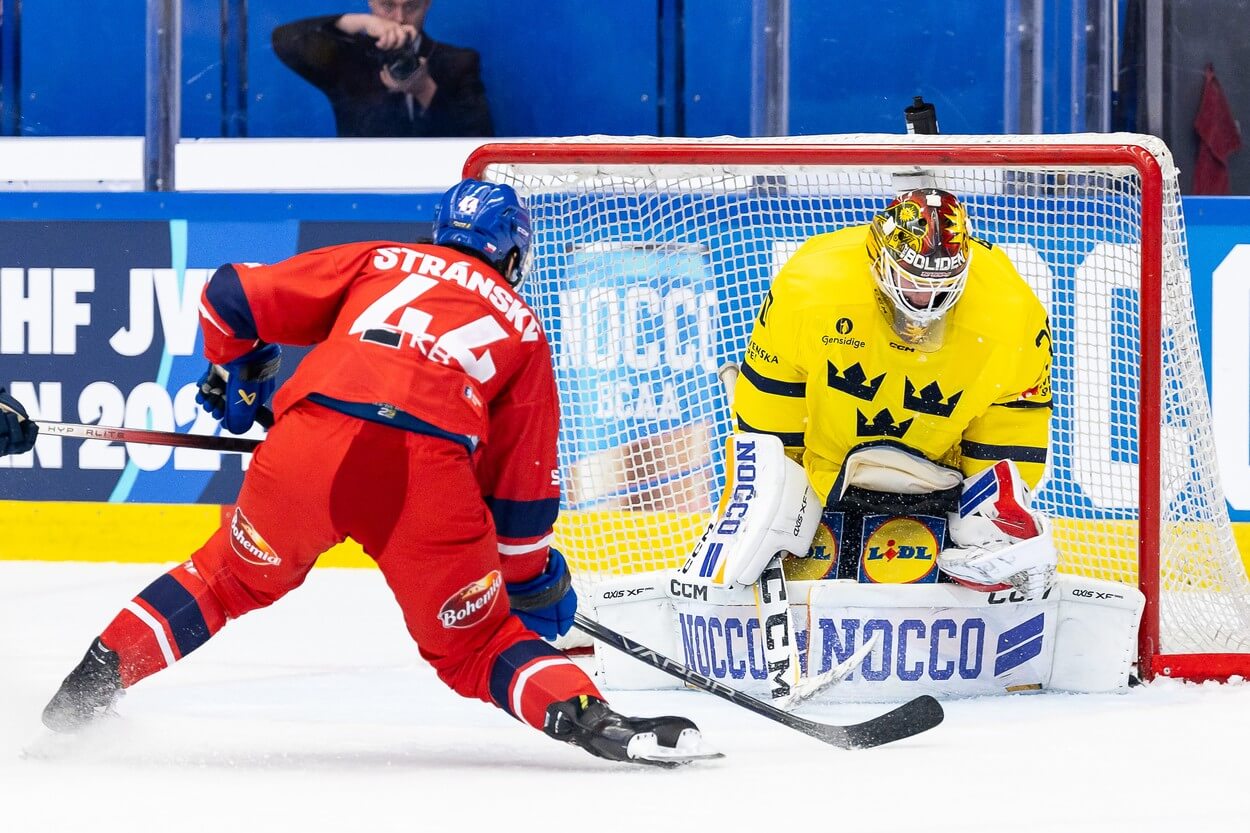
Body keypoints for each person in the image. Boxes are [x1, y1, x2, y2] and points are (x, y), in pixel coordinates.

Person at [35, 179, 714, 767]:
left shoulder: (383, 260)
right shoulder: (525, 329)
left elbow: (226, 295)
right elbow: (519, 499)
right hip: (425, 479)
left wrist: (237, 370)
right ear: (512, 254)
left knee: (221, 579)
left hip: (307, 448)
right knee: (478, 644)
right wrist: (532, 586)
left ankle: (86, 688)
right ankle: (593, 719)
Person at [732, 187, 1056, 594]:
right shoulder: (810, 285)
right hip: (822, 481)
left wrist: (984, 516)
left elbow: (1013, 427)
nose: (923, 300)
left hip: (941, 484)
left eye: (940, 284)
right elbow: (770, 400)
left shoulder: (1012, 313)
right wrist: (778, 490)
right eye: (910, 279)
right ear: (877, 260)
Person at [272, 0, 493, 138]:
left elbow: (478, 138)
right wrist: (360, 23)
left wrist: (425, 89)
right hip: (363, 187)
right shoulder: (348, 59)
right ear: (371, 2)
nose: (400, 18)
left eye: (411, 6)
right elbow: (283, 40)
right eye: (387, 5)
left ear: (427, 4)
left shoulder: (458, 62)